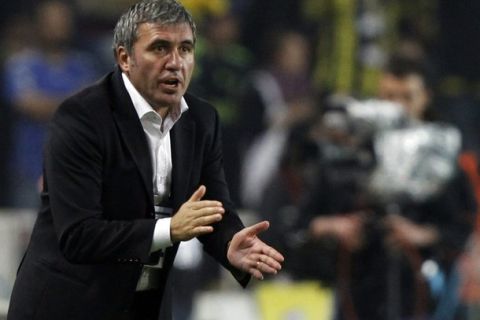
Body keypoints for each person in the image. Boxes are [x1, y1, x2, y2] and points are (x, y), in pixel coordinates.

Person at [7, 1, 284, 320]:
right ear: (125, 58)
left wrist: (230, 243)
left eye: (185, 49)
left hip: (146, 305)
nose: (175, 63)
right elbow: (79, 236)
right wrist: (169, 229)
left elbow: (213, 206)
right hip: (68, 306)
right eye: (160, 48)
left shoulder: (202, 120)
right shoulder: (81, 119)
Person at [288, 55, 476, 319]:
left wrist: (421, 234)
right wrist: (335, 227)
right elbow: (298, 226)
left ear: (426, 98)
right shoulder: (345, 157)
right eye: (388, 97)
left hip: (423, 293)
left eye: (407, 97)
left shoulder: (442, 157)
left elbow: (463, 225)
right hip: (358, 292)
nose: (397, 108)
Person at [3, 1, 100, 208]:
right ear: (38, 23)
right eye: (50, 19)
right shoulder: (21, 64)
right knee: (28, 236)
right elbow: (27, 103)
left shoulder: (83, 64)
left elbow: (95, 106)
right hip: (30, 169)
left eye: (61, 19)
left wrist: (49, 102)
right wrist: (72, 101)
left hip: (76, 171)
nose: (56, 25)